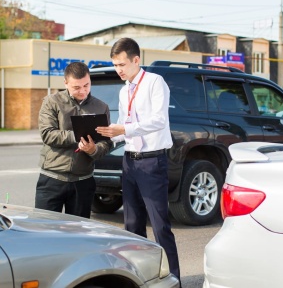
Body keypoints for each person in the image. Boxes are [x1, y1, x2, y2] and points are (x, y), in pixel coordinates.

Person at [96, 37, 181, 281]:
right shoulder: (124, 91)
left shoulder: (155, 82)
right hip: (130, 162)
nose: (118, 70)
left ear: (136, 60)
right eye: (115, 65)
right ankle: (138, 280)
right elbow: (123, 127)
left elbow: (158, 121)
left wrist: (123, 130)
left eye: (122, 64)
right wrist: (104, 139)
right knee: (131, 226)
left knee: (160, 226)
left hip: (152, 161)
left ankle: (174, 279)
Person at [35, 61, 112, 218]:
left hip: (83, 182)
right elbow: (48, 134)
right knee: (44, 230)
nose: (83, 91)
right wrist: (77, 135)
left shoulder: (101, 107)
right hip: (52, 179)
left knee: (78, 234)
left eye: (87, 85)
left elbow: (106, 142)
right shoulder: (51, 102)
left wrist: (94, 150)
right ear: (65, 83)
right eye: (77, 87)